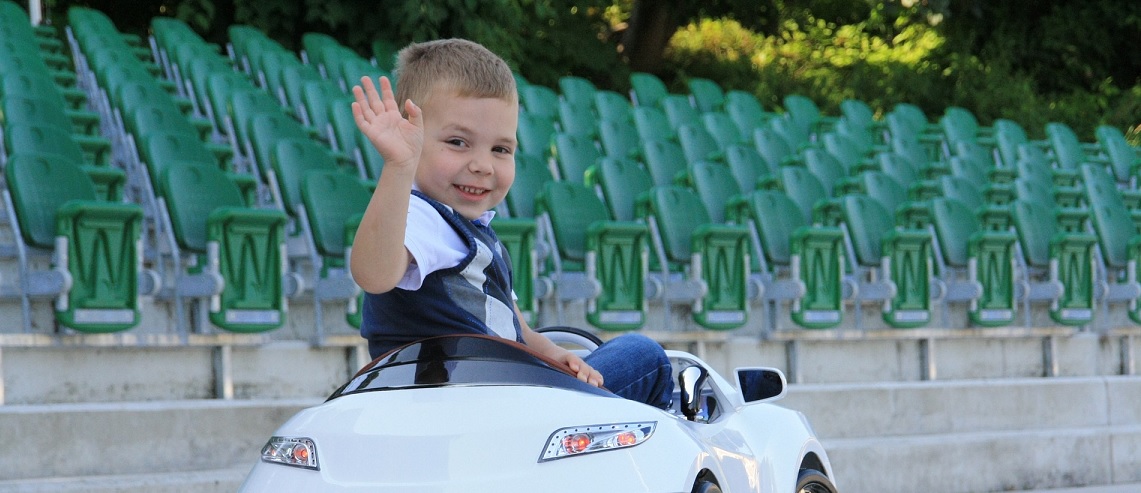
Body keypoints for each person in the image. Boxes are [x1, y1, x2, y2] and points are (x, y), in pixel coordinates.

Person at [349, 38, 673, 409]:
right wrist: (398, 167)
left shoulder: (476, 234)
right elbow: (374, 275)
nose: (483, 165)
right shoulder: (418, 216)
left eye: (500, 149)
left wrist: (553, 354)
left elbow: (516, 329)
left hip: (502, 397)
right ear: (413, 133)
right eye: (458, 142)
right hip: (472, 404)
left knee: (604, 357)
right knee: (644, 356)